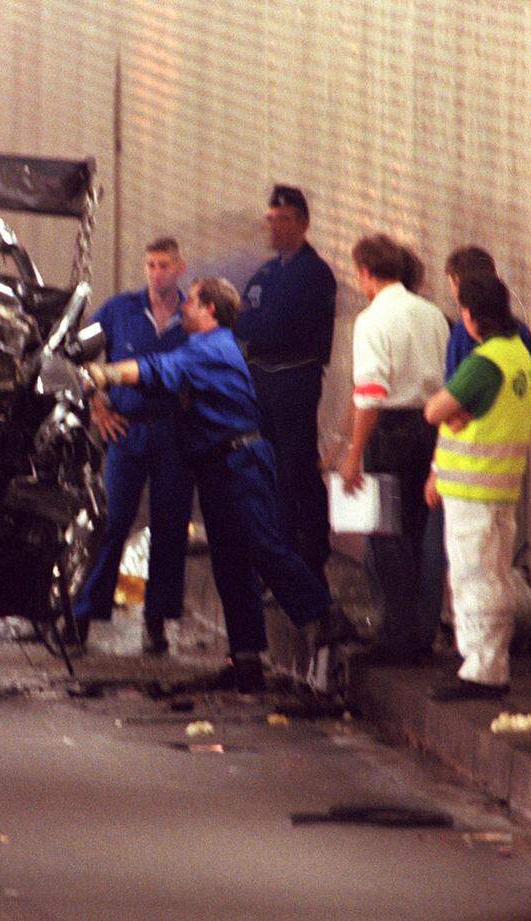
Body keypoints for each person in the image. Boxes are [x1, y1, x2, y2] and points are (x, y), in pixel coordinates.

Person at [85, 277, 340, 692]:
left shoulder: (210, 349)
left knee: (265, 546)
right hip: (218, 467)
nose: (183, 306)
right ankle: (245, 660)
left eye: (192, 302)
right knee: (231, 565)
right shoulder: (200, 348)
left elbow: (155, 370)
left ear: (210, 310)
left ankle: (325, 619)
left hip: (239, 462)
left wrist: (104, 373)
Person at [69, 237, 195, 655]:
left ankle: (156, 620)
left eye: (164, 265)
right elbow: (75, 352)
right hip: (125, 431)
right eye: (150, 265)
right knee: (112, 520)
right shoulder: (120, 310)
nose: (157, 273)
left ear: (180, 267)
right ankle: (84, 613)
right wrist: (97, 409)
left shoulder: (192, 315)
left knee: (170, 527)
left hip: (173, 433)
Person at [419, 246, 531, 651]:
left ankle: (477, 663)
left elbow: (440, 410)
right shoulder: (521, 344)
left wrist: (435, 469)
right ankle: (489, 657)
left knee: (470, 573)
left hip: (469, 480)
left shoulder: (475, 351)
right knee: (493, 571)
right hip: (502, 479)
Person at [338, 234, 449, 664]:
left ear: (365, 272)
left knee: (385, 532)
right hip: (431, 427)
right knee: (423, 531)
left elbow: (370, 392)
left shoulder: (371, 320)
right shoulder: (433, 314)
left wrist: (352, 452)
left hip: (389, 430)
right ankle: (422, 632)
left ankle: (395, 636)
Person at [235, 185, 337, 591]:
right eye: (270, 220)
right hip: (263, 379)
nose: (274, 227)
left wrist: (255, 325)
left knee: (297, 471)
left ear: (303, 223)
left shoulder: (314, 273)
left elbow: (279, 328)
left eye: (283, 219)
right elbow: (240, 320)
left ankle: (310, 560)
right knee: (267, 471)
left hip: (294, 380)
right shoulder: (266, 273)